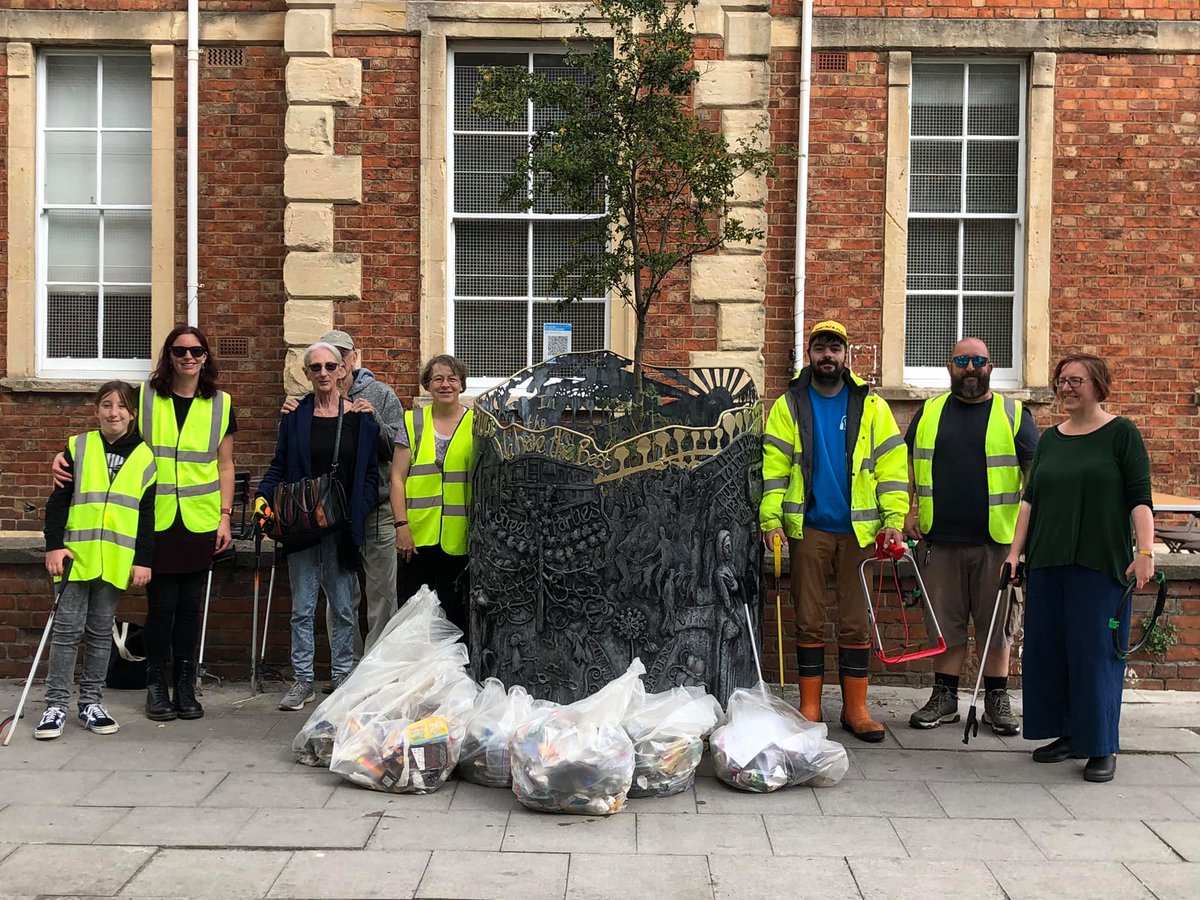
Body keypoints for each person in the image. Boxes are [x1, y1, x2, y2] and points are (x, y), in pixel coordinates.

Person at [52, 326, 236, 723]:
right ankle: (156, 685)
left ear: (206, 357)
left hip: (201, 517)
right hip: (155, 516)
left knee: (190, 608)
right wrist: (65, 458)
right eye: (179, 350)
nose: (188, 357)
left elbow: (225, 464)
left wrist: (225, 516)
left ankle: (185, 685)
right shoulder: (147, 395)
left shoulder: (222, 404)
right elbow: (111, 434)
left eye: (196, 351)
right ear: (168, 356)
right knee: (162, 606)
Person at [1004, 354, 1153, 783]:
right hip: (1049, 562)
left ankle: (1101, 744)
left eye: (1077, 380)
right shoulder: (1051, 438)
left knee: (1095, 655)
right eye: (1061, 380)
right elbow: (1029, 500)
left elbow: (1139, 497)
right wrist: (1015, 553)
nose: (1067, 387)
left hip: (1100, 564)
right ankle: (1068, 734)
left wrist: (1145, 551)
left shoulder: (1121, 434)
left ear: (1098, 385)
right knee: (1050, 652)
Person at [760, 320, 908, 742]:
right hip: (808, 529)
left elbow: (891, 469)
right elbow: (774, 469)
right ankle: (809, 706)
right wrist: (771, 521)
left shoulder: (871, 405)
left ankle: (855, 709)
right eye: (821, 347)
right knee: (807, 619)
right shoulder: (790, 404)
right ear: (810, 354)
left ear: (847, 355)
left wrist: (894, 520)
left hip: (859, 532)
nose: (828, 355)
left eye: (835, 348)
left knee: (855, 622)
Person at [904, 338, 1039, 734]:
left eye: (978, 361)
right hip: (939, 541)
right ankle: (944, 697)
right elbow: (908, 469)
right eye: (962, 361)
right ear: (949, 367)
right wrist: (908, 511)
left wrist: (1024, 540)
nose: (970, 368)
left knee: (997, 626)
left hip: (996, 544)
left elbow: (1036, 481)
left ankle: (996, 698)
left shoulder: (1014, 415)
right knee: (943, 625)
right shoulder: (927, 412)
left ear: (991, 367)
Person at [257, 342, 379, 711]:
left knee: (343, 606)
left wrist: (358, 509)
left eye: (331, 366)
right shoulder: (294, 417)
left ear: (344, 370)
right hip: (302, 524)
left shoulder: (361, 418)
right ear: (307, 374)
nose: (324, 373)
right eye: (316, 367)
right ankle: (303, 680)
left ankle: (342, 676)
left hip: (340, 526)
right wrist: (264, 497)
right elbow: (280, 464)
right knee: (302, 607)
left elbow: (372, 474)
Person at [36, 382, 157, 739]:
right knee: (66, 631)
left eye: (121, 406)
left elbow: (146, 514)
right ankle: (55, 705)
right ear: (96, 410)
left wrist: (143, 560)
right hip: (75, 556)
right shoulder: (78, 446)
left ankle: (90, 702)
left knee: (101, 632)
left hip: (115, 560)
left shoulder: (145, 457)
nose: (113, 412)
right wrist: (53, 546)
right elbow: (58, 502)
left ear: (132, 413)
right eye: (106, 405)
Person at [280, 329, 403, 674]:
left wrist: (371, 420)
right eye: (320, 363)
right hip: (329, 516)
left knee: (381, 595)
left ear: (352, 359)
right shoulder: (307, 401)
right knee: (341, 597)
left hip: (374, 508)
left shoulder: (381, 394)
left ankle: (375, 670)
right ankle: (344, 668)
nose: (329, 369)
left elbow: (395, 449)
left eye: (338, 358)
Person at [392, 354, 473, 637]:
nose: (445, 384)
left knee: (455, 617)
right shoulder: (412, 421)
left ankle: (451, 677)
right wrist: (401, 527)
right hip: (415, 538)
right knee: (414, 618)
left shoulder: (477, 424)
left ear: (462, 384)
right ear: (427, 384)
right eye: (438, 378)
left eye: (452, 378)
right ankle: (416, 677)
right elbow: (397, 478)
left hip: (460, 540)